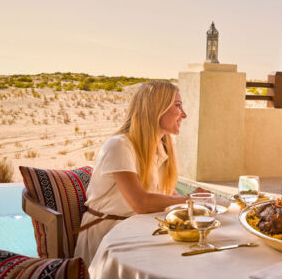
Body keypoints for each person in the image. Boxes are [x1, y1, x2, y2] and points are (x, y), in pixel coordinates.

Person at [74, 80, 199, 263]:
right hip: (109, 237)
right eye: (178, 106)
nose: (184, 115)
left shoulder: (160, 148)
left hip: (140, 230)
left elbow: (165, 195)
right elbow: (141, 203)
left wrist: (200, 206)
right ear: (157, 108)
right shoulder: (120, 145)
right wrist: (191, 200)